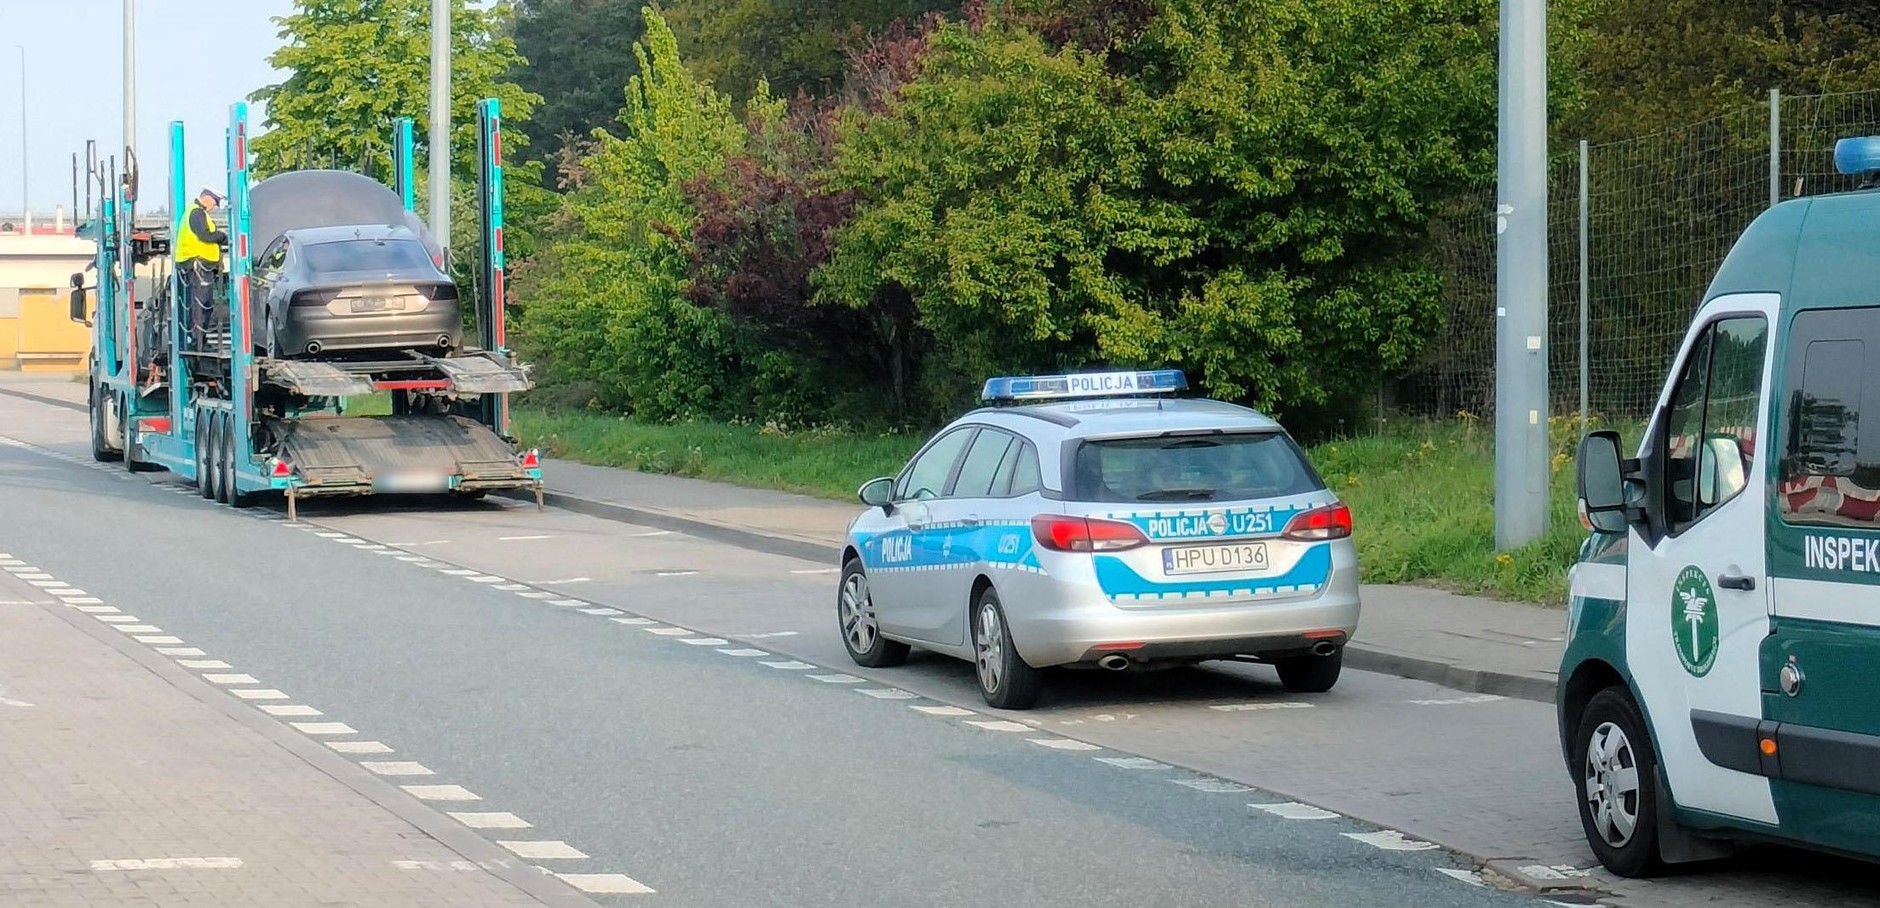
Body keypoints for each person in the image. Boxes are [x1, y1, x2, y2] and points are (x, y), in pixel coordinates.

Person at [174, 188, 229, 349]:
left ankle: (200, 340)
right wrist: (222, 236)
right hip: (198, 266)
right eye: (215, 202)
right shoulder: (197, 214)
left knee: (204, 303)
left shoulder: (197, 213)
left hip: (200, 266)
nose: (215, 206)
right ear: (207, 198)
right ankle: (198, 341)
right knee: (200, 303)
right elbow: (205, 236)